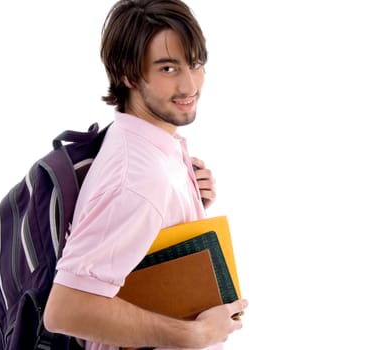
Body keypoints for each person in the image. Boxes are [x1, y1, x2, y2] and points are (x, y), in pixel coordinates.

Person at [43, 0, 248, 349]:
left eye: (195, 64)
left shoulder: (140, 140)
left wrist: (186, 200)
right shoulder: (139, 179)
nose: (189, 86)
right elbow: (65, 310)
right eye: (168, 69)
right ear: (128, 72)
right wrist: (192, 335)